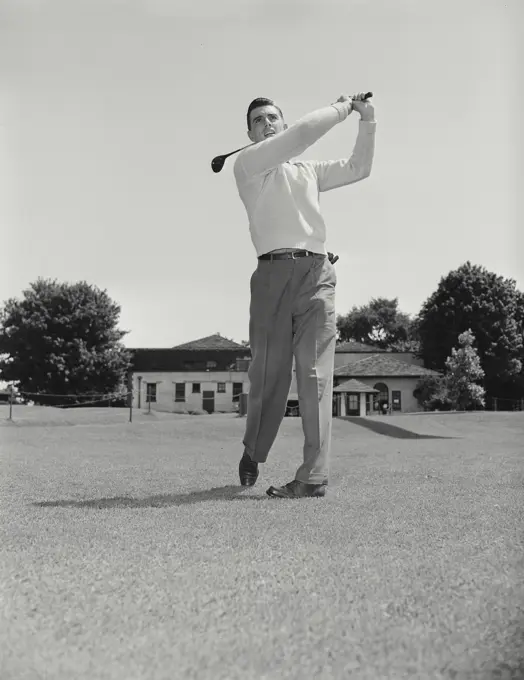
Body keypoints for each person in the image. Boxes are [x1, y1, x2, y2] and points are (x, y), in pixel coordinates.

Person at [234, 92, 376, 498]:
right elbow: (300, 136)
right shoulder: (248, 165)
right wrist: (342, 108)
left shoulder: (308, 171)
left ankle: (313, 477)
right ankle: (253, 451)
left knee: (314, 376)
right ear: (249, 132)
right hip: (271, 277)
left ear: (282, 121)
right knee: (270, 375)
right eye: (258, 120)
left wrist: (367, 120)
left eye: (273, 117)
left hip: (317, 275)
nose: (267, 123)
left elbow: (358, 168)